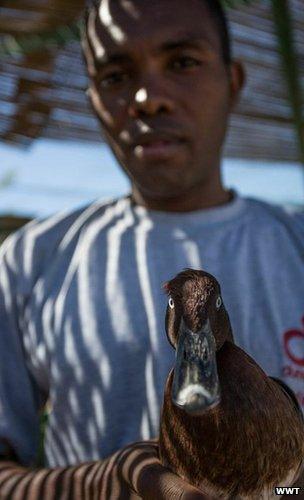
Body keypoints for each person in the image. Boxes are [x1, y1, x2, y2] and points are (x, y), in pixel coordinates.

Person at [0, 0, 303, 497]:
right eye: (116, 75)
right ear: (93, 97)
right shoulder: (29, 262)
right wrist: (99, 485)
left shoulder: (298, 245)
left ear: (233, 81)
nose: (146, 98)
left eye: (182, 62)